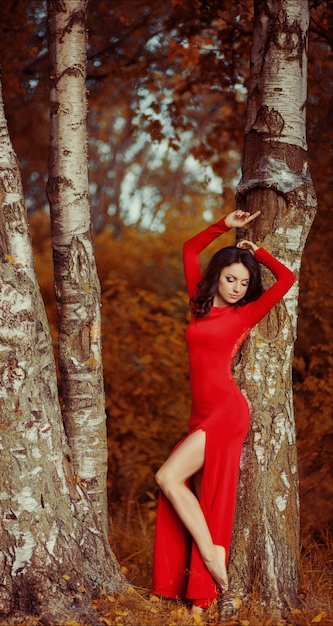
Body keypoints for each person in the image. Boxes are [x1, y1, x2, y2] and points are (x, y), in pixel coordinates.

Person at [151, 209, 295, 609]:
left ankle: (213, 554)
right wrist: (224, 227)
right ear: (217, 277)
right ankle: (197, 594)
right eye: (230, 278)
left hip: (227, 413)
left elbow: (287, 280)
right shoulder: (197, 307)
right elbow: (189, 249)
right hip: (200, 414)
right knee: (195, 492)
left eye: (243, 283)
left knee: (168, 478)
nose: (236, 287)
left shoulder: (243, 315)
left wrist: (259, 252)